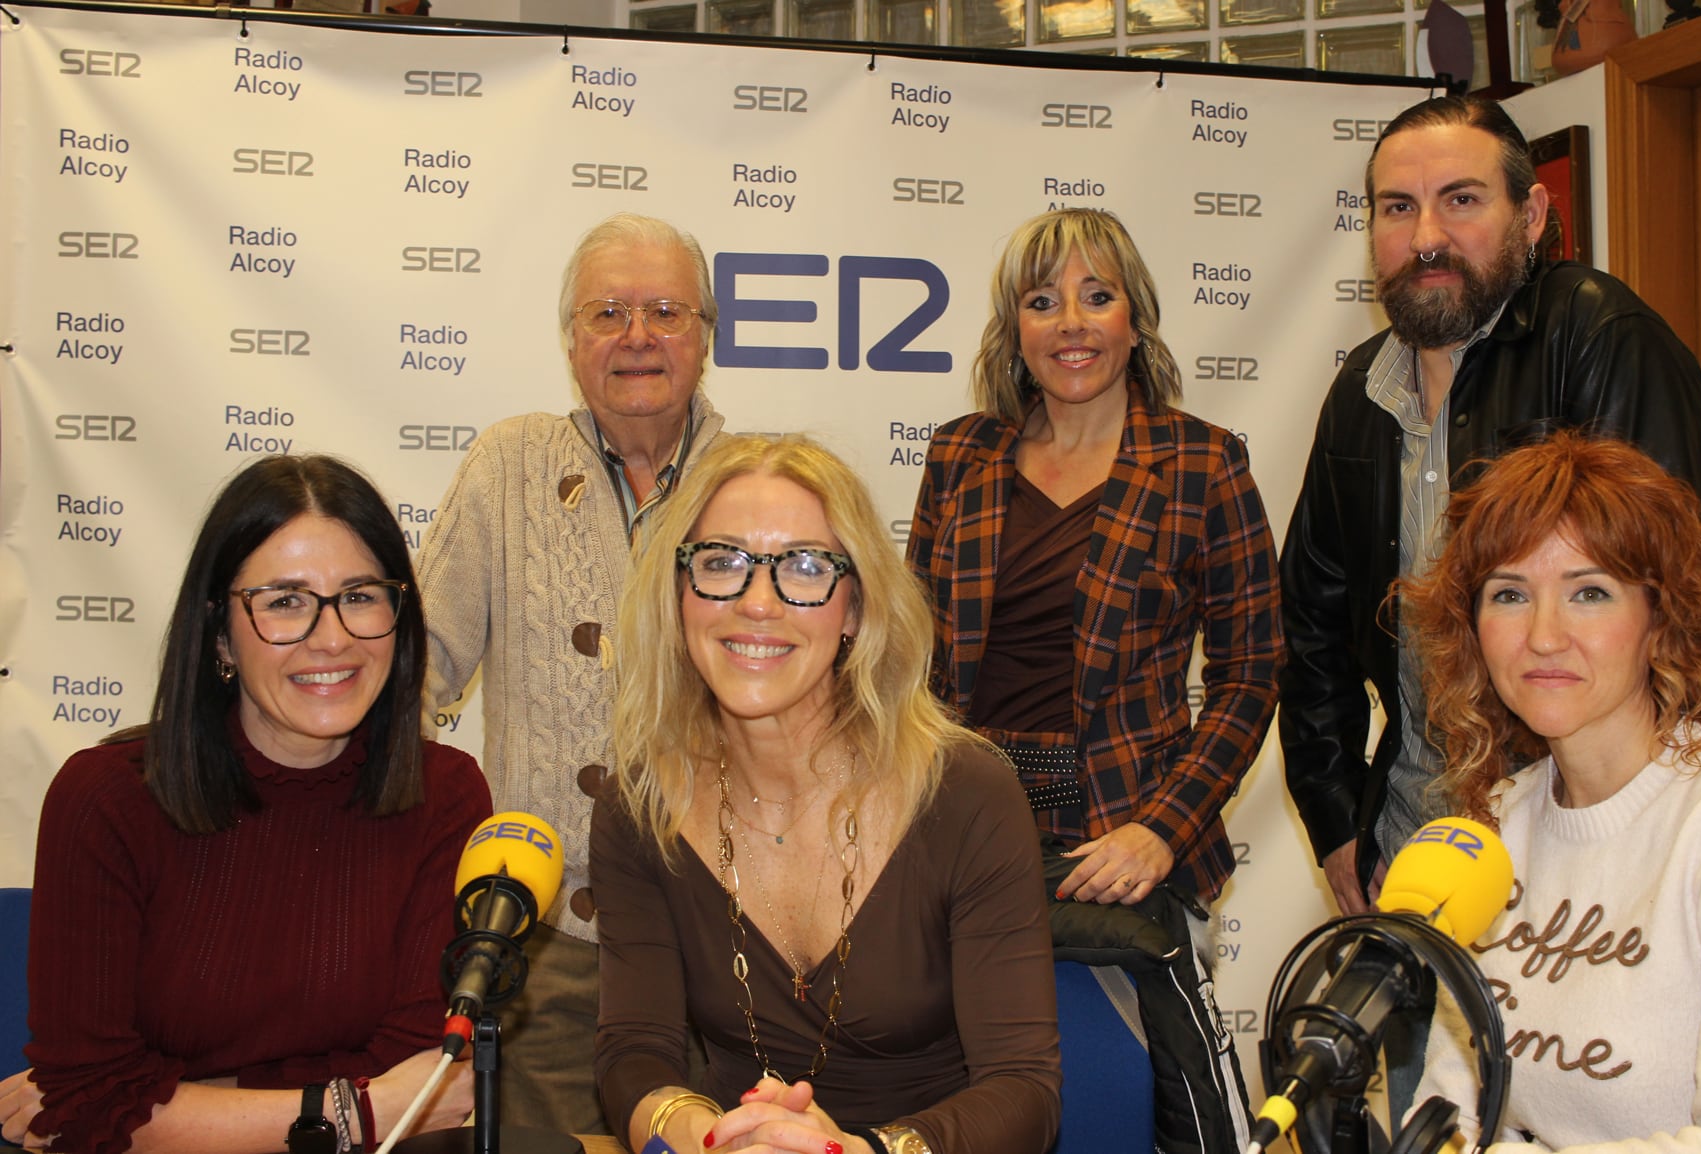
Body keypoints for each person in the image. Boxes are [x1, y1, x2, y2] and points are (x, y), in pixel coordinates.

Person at [1279, 94, 1701, 920]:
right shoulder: (1360, 391)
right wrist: (1339, 823)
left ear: (1534, 213)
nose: (1427, 237)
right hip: (1412, 849)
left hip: (1579, 847)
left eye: (1463, 200)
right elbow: (1309, 625)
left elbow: (1674, 615)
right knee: (1425, 1056)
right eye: (1398, 208)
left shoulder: (1603, 341)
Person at [0, 455, 491, 1154]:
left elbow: (421, 1076)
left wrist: (173, 1097)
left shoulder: (446, 797)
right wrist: (356, 1108)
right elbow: (88, 1104)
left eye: (360, 595)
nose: (333, 637)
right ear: (220, 631)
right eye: (285, 601)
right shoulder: (106, 801)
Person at [594, 433, 1060, 1154]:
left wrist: (864, 1153)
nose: (756, 602)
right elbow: (634, 1053)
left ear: (853, 610)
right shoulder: (639, 804)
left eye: (805, 567)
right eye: (722, 562)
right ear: (678, 594)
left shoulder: (968, 793)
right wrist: (712, 1136)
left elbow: (1025, 1091)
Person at [1400, 432, 1701, 1153]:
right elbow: (1446, 1115)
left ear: (1659, 621)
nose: (1545, 636)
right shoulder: (1496, 823)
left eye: (1589, 592)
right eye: (1510, 594)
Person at [417, 212, 726, 1129]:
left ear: (707, 336)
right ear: (569, 341)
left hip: (720, 950)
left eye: (666, 311)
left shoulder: (759, 482)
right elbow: (410, 671)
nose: (637, 337)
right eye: (606, 314)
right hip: (547, 945)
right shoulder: (506, 466)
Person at [907, 207, 1282, 908]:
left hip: (1125, 845)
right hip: (961, 834)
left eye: (1098, 296)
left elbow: (1251, 677)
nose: (1071, 322)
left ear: (1133, 323)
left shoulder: (1203, 463)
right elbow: (910, 660)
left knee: (1116, 1027)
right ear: (1017, 331)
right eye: (1042, 302)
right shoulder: (959, 455)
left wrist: (1162, 831)